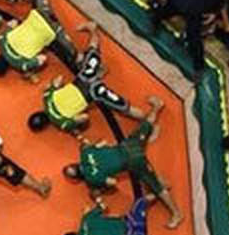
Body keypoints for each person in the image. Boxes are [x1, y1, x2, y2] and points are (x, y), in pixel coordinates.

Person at [61, 96, 183, 226]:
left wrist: (102, 187)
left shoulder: (92, 179)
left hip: (133, 161)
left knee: (156, 187)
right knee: (145, 125)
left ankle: (177, 214)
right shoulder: (85, 153)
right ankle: (157, 107)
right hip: (127, 145)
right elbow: (103, 143)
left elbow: (113, 182)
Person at [150, 0, 227, 72]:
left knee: (194, 38)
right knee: (159, 13)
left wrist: (214, 13)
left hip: (195, 12)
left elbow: (221, 2)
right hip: (177, 1)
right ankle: (153, 25)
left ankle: (199, 66)